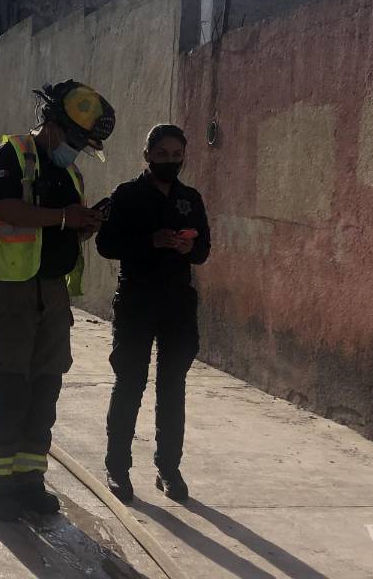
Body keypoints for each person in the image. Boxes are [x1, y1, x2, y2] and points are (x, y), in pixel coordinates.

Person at [0, 81, 116, 521]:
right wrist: (65, 217)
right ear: (53, 125)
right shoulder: (11, 155)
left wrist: (82, 225)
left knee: (43, 389)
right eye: (76, 140)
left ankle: (27, 480)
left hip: (50, 293)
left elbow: (58, 228)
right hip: (8, 290)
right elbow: (7, 209)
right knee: (6, 388)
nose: (77, 150)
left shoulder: (70, 173)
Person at [96, 123, 210, 503]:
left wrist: (187, 248)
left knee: (173, 387)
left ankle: (168, 468)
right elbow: (106, 244)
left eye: (176, 155)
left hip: (177, 304)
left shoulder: (190, 198)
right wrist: (150, 241)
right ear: (147, 155)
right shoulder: (127, 195)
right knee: (130, 383)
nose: (169, 161)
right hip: (136, 300)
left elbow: (203, 250)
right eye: (162, 154)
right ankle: (117, 467)